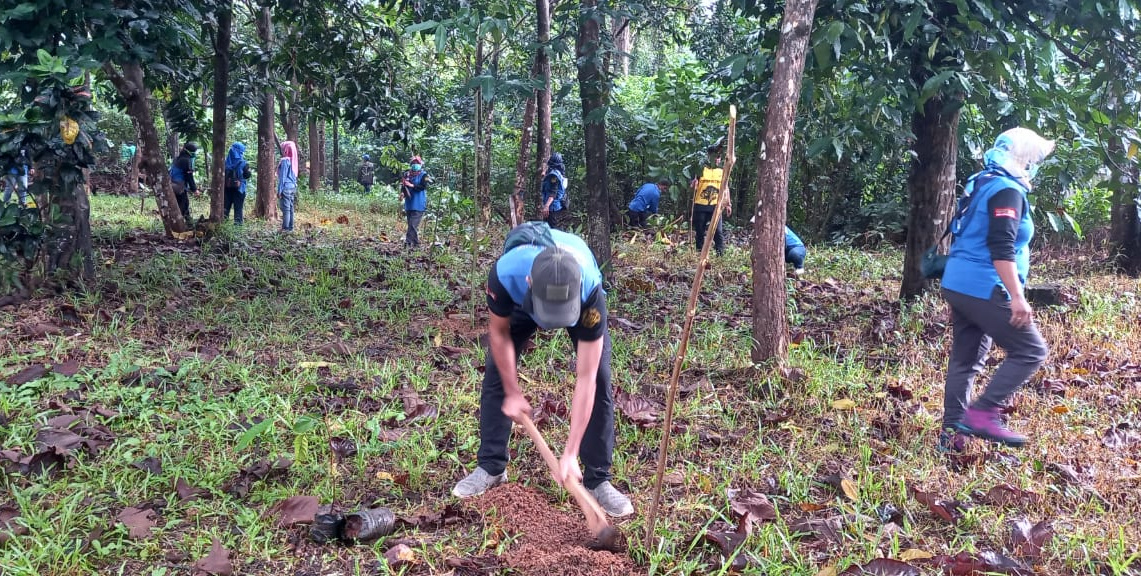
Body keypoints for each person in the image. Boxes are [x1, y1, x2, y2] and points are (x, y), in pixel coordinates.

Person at [451, 223, 633, 518]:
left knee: (599, 377)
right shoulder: (506, 275)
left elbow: (586, 378)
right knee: (497, 372)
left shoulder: (588, 291)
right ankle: (491, 466)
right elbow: (499, 335)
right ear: (529, 282)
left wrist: (570, 452)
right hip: (522, 302)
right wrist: (512, 392)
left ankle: (598, 480)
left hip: (579, 301)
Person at [938, 127, 1054, 452]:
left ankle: (952, 437)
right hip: (983, 285)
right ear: (1022, 158)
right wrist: (1017, 296)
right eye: (1032, 159)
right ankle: (983, 413)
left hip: (958, 283)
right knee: (1031, 350)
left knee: (965, 361)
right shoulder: (1006, 190)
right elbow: (1001, 246)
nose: (1034, 166)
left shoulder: (981, 181)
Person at [691, 145, 731, 255]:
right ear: (709, 156)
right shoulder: (700, 170)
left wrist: (728, 204)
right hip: (700, 204)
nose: (717, 159)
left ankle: (720, 253)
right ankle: (699, 253)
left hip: (716, 206)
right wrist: (694, 183)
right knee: (700, 231)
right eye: (715, 157)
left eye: (719, 157)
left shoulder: (722, 171)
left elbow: (726, 187)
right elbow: (692, 186)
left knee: (717, 231)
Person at [400, 155, 430, 247]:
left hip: (419, 203)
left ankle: (408, 243)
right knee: (411, 225)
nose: (415, 165)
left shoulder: (424, 175)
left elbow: (423, 186)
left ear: (421, 164)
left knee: (413, 225)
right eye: (413, 163)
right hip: (409, 203)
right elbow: (404, 186)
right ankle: (416, 244)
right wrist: (402, 193)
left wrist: (412, 185)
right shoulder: (407, 174)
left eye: (417, 163)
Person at [169, 142, 199, 223]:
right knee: (183, 205)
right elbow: (189, 177)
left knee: (183, 203)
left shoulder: (178, 158)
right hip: (179, 186)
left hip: (172, 184)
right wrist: (195, 189)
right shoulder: (186, 160)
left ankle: (188, 221)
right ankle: (181, 223)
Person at [223, 142, 252, 225]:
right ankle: (238, 225)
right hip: (239, 189)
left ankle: (223, 224)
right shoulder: (244, 163)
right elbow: (247, 176)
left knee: (225, 207)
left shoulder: (224, 163)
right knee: (238, 208)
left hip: (226, 188)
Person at [540, 153, 569, 229]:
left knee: (552, 230)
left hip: (552, 207)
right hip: (555, 206)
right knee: (549, 229)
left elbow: (553, 192)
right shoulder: (558, 173)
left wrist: (546, 206)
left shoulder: (554, 175)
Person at [277, 141, 299, 232]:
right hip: (293, 187)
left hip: (286, 187)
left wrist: (279, 190)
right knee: (290, 208)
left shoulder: (285, 160)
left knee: (285, 209)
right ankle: (290, 227)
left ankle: (285, 228)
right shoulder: (294, 160)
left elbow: (282, 177)